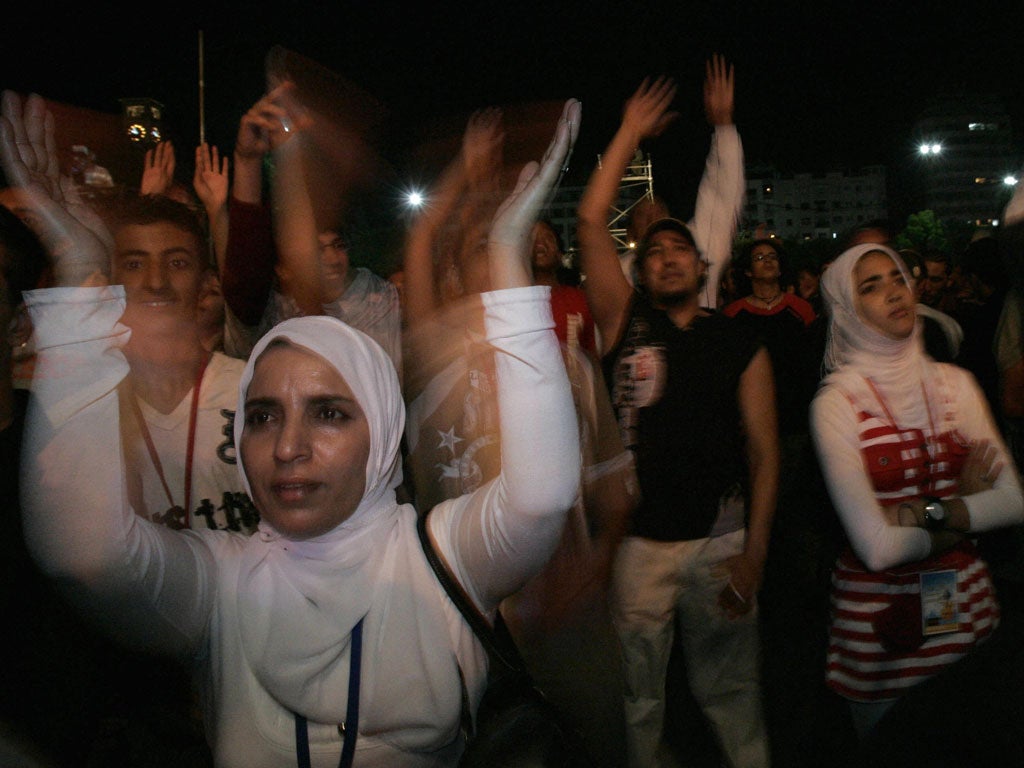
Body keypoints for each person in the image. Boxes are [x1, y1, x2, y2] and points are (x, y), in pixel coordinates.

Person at [15, 84, 584, 768]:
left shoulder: (443, 560)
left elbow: (541, 497)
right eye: (261, 416)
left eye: (329, 413)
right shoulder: (221, 585)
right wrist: (78, 276)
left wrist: (508, 252)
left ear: (381, 435)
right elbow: (85, 554)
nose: (287, 447)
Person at [577, 56, 778, 768]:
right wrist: (628, 131)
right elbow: (589, 218)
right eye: (652, 249)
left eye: (680, 248)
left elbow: (763, 452)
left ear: (703, 266)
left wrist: (754, 551)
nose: (666, 255)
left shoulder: (735, 339)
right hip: (639, 549)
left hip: (722, 543)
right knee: (640, 695)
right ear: (638, 269)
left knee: (731, 692)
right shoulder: (622, 319)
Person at [809, 243, 1024, 749]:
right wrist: (966, 511)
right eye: (871, 286)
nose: (893, 292)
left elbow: (1015, 501)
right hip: (882, 638)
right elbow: (877, 548)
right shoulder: (837, 403)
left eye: (897, 277)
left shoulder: (956, 384)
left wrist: (923, 512)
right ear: (848, 308)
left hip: (968, 617)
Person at [219, 83, 402, 374]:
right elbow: (242, 281)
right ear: (284, 266)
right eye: (316, 250)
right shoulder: (275, 313)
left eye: (338, 246)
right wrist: (248, 164)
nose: (332, 259)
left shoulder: (376, 300)